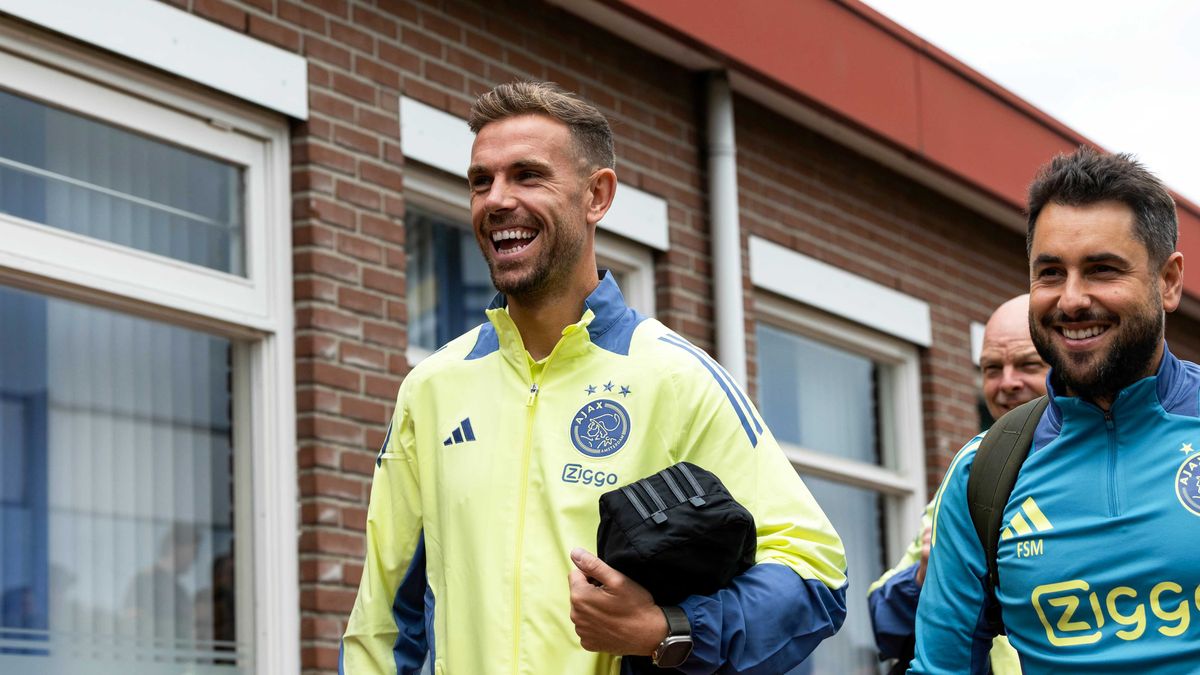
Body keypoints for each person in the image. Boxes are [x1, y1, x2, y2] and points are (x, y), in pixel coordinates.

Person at [339, 82, 848, 675]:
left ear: (597, 195)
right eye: (482, 181)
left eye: (528, 176)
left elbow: (816, 570)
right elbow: (381, 619)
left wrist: (671, 630)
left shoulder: (674, 376)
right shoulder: (430, 389)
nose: (496, 200)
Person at [910, 147, 1200, 674]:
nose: (1070, 300)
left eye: (1101, 270)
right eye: (1049, 273)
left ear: (1169, 281)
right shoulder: (985, 472)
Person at [867, 295, 1046, 673]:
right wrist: (924, 578)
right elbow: (884, 616)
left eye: (1028, 365)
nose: (1007, 383)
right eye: (991, 368)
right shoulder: (974, 477)